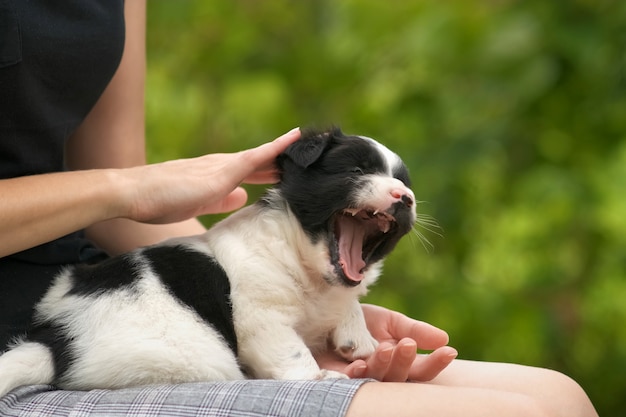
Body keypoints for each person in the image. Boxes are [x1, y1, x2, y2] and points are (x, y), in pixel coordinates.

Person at [0, 1, 597, 416]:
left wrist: (300, 304)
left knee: (556, 399)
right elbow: (121, 189)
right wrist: (125, 188)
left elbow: (117, 196)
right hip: (45, 349)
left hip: (88, 297)